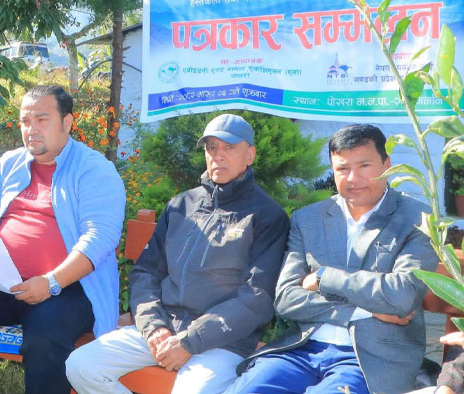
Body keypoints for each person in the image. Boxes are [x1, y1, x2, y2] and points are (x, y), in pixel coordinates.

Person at [0, 85, 126, 394]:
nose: (31, 129)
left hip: (67, 288)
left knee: (44, 339)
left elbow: (99, 238)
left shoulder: (94, 170)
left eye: (42, 119)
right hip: (0, 281)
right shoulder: (9, 164)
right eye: (25, 121)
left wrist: (51, 282)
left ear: (67, 122)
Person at [66, 113, 290, 394]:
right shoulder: (182, 205)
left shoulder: (268, 216)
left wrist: (190, 341)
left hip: (222, 342)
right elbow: (146, 272)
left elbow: (256, 299)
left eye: (229, 147)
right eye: (211, 147)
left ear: (250, 155)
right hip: (163, 329)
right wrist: (154, 327)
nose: (218, 155)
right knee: (81, 366)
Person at [226, 124, 438, 394]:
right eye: (342, 169)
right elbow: (287, 299)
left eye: (364, 165)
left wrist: (323, 277)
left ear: (387, 164)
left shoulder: (417, 219)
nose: (353, 178)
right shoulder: (309, 219)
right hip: (302, 349)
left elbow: (402, 296)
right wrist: (366, 311)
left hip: (372, 358)